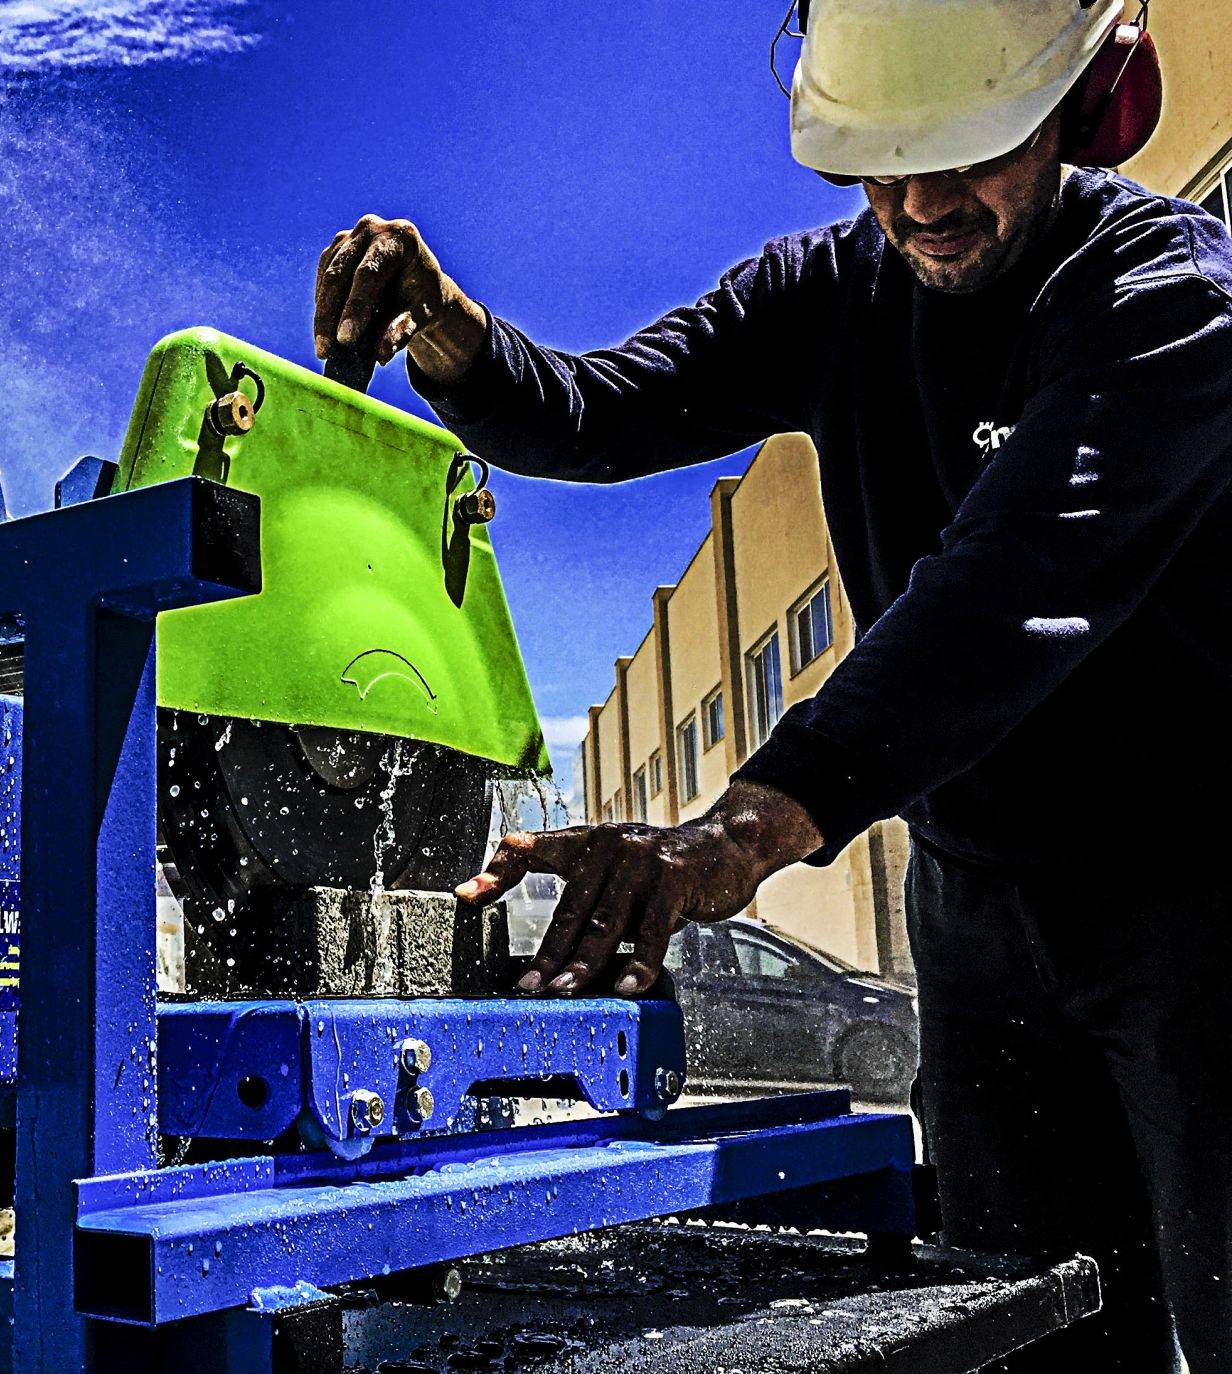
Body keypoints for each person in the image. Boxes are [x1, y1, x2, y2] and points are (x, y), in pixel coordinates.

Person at [312, 1, 1232, 1368]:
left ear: (1082, 104)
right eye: (881, 163)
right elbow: (601, 407)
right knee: (1029, 1321)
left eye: (969, 154)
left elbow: (994, 599)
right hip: (976, 918)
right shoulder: (832, 292)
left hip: (1189, 901)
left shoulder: (1165, 298)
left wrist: (733, 835)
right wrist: (450, 335)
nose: (921, 205)